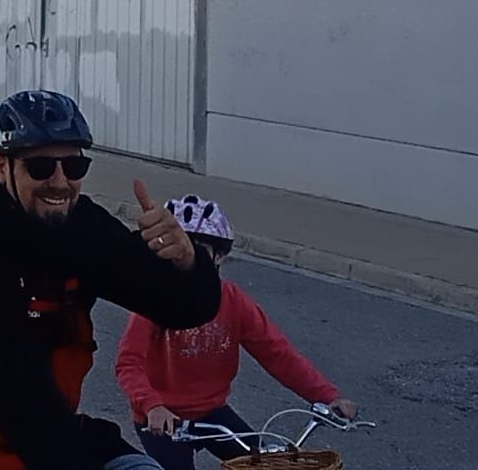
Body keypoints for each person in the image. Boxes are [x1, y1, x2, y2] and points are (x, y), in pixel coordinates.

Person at [0, 90, 221, 470]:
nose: (60, 182)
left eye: (74, 167)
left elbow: (182, 308)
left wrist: (188, 263)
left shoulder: (78, 226)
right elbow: (23, 407)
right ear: (0, 166)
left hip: (41, 434)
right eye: (39, 167)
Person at [116, 197, 358, 470]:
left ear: (219, 256)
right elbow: (129, 363)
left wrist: (327, 396)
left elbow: (278, 354)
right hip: (162, 418)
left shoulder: (233, 301)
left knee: (266, 463)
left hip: (212, 412)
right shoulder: (152, 300)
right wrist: (152, 405)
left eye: (197, 250)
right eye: (175, 249)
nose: (184, 257)